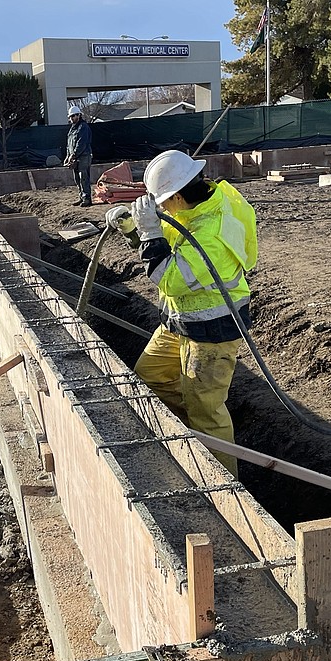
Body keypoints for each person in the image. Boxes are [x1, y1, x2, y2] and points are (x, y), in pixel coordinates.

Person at [106, 150, 258, 475]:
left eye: (162, 202)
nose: (161, 209)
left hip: (212, 332)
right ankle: (189, 422)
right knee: (149, 377)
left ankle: (224, 483)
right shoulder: (194, 208)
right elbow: (171, 236)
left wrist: (149, 234)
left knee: (208, 413)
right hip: (180, 323)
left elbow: (170, 279)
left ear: (176, 195)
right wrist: (133, 228)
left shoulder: (213, 232)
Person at [63, 106, 93, 207]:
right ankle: (81, 197)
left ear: (79, 115)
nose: (72, 118)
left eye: (74, 116)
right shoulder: (72, 129)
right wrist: (68, 156)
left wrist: (73, 154)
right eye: (71, 116)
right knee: (77, 178)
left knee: (83, 177)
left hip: (84, 156)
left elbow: (82, 143)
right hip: (76, 157)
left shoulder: (83, 127)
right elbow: (69, 144)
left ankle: (87, 198)